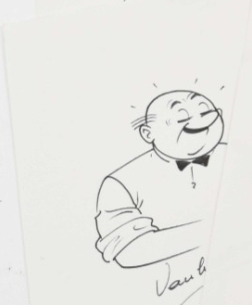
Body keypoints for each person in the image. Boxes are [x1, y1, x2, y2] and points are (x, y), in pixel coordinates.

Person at [94, 90, 225, 268]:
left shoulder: (241, 157)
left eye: (204, 111)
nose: (198, 121)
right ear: (148, 134)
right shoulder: (120, 183)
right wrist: (218, 228)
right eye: (182, 117)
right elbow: (131, 250)